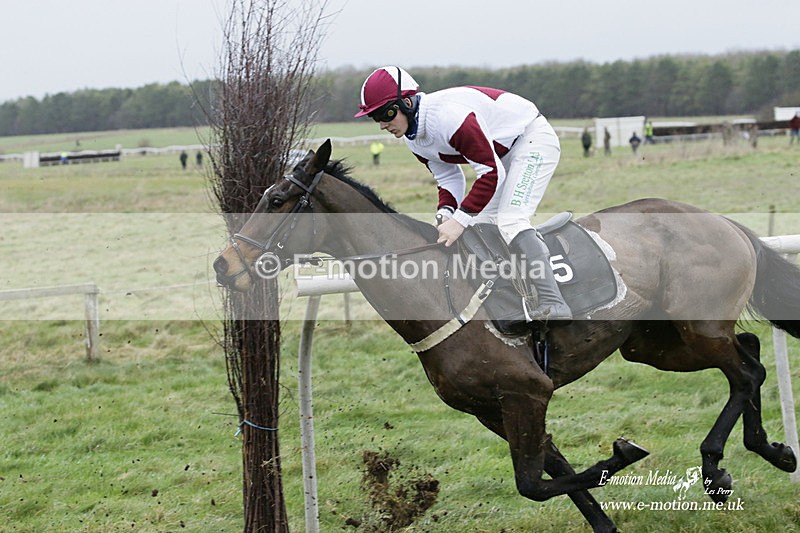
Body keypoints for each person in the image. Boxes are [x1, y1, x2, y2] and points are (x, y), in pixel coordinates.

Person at [354, 66, 571, 321]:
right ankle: (513, 297)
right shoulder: (414, 139)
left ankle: (554, 302)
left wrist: (459, 221)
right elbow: (448, 177)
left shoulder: (449, 118)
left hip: (531, 139)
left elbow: (490, 174)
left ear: (407, 102)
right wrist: (445, 213)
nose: (382, 125)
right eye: (375, 118)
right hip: (501, 154)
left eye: (385, 114)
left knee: (511, 220)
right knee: (480, 226)